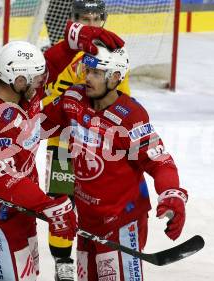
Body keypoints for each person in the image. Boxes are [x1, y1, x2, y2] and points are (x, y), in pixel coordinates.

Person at [0, 21, 125, 281]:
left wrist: (75, 39)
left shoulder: (21, 90)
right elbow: (5, 181)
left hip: (21, 205)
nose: (44, 81)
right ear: (18, 79)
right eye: (36, 78)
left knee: (29, 275)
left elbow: (53, 63)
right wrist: (53, 206)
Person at [41, 44, 188, 281]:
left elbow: (160, 162)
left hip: (122, 222)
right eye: (87, 70)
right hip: (87, 220)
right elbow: (38, 127)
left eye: (96, 73)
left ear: (116, 77)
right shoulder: (73, 99)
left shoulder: (130, 116)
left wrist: (171, 194)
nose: (88, 78)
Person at [42, 1, 131, 280]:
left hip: (95, 145)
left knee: (96, 203)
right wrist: (65, 89)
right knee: (60, 203)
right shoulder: (61, 52)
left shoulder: (114, 51)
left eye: (95, 18)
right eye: (84, 18)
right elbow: (44, 102)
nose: (91, 24)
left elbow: (123, 102)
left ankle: (95, 257)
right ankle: (63, 263)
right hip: (63, 142)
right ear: (74, 19)